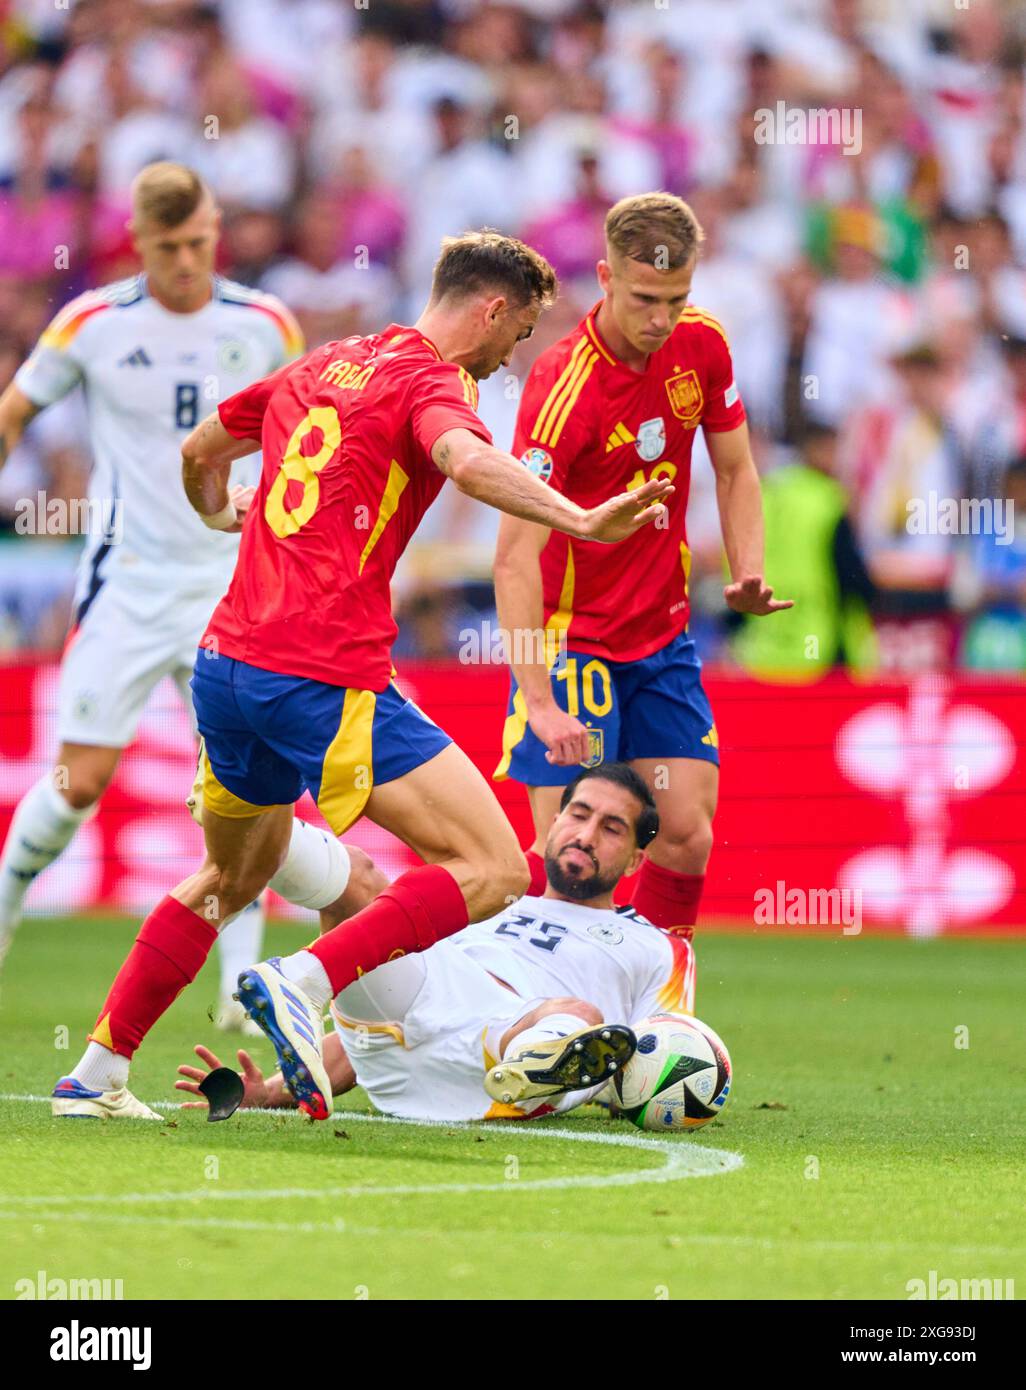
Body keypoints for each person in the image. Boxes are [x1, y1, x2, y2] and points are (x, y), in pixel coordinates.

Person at [52, 229, 673, 1122]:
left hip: (226, 666)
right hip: (321, 672)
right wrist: (578, 519)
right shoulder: (434, 383)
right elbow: (466, 460)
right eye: (521, 332)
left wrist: (218, 513)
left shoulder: (325, 360)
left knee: (228, 879)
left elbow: (195, 452)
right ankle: (302, 982)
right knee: (494, 864)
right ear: (492, 309)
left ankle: (97, 1075)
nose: (513, 355)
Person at [0, 161, 331, 1029]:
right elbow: (13, 414)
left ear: (214, 230)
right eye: (170, 245)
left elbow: (310, 429)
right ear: (139, 243)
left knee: (246, 780)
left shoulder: (263, 323)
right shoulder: (92, 325)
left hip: (234, 582)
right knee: (81, 779)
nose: (188, 260)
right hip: (130, 581)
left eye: (200, 241)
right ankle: (7, 899)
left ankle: (239, 985)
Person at [492, 192, 791, 963]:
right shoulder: (563, 390)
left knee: (687, 834)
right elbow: (514, 554)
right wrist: (536, 697)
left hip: (660, 637)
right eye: (645, 300)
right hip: (573, 641)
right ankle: (537, 1027)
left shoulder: (704, 345)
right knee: (573, 863)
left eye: (678, 299)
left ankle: (658, 1010)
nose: (662, 319)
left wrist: (748, 567)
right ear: (604, 278)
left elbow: (735, 468)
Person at [177, 765, 697, 1123]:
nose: (586, 835)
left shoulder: (657, 948)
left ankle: (534, 1067)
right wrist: (271, 1092)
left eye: (611, 829)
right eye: (578, 815)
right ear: (554, 821)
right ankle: (255, 831)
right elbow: (374, 1030)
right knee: (353, 875)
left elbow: (665, 1052)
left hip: (504, 1053)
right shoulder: (492, 889)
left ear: (633, 860)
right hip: (412, 1054)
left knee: (576, 1014)